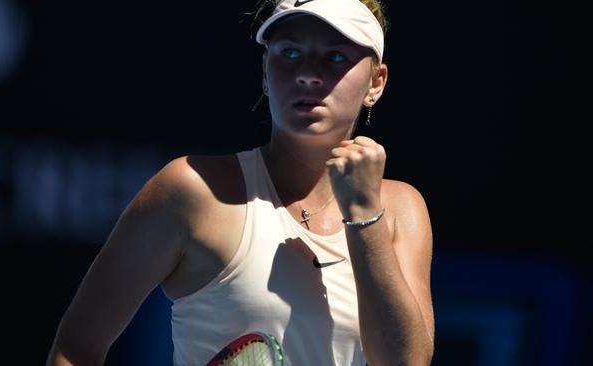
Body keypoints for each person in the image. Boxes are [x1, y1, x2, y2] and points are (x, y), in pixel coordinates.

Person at [46, 0, 434, 364]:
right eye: (290, 53)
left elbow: (409, 361)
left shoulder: (401, 210)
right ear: (266, 72)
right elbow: (75, 347)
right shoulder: (192, 189)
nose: (308, 75)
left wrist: (363, 215)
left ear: (376, 82)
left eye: (335, 57)